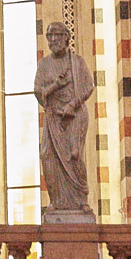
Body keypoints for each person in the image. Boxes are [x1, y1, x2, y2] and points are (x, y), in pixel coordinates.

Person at [34, 21, 95, 216]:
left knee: (74, 153)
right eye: (50, 35)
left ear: (67, 37)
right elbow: (38, 91)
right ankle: (57, 202)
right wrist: (55, 85)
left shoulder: (77, 62)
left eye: (57, 34)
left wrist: (73, 104)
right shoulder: (44, 64)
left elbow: (88, 86)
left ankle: (81, 199)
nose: (53, 39)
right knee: (47, 155)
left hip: (75, 115)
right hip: (53, 116)